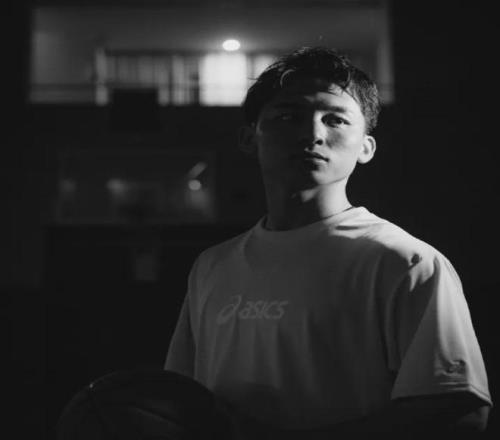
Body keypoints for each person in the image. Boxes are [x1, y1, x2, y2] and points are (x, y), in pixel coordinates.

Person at [165, 47, 492, 439]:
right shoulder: (213, 265)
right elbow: (179, 400)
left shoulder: (405, 261)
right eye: (289, 116)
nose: (313, 134)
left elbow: (458, 413)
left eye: (335, 119)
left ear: (366, 147)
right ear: (249, 138)